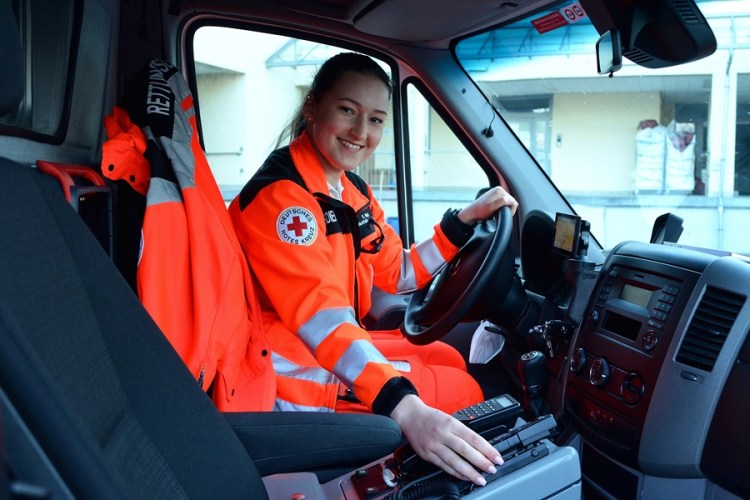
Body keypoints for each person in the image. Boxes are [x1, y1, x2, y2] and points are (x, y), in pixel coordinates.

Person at [229, 52, 518, 485]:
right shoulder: (283, 203)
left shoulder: (349, 190)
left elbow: (398, 271)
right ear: (312, 107)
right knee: (466, 391)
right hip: (295, 382)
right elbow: (324, 320)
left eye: (376, 119)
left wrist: (462, 223)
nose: (361, 133)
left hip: (327, 355)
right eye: (348, 110)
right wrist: (405, 407)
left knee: (447, 356)